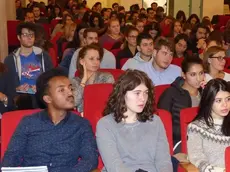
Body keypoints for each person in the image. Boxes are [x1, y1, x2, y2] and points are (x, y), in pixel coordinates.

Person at [2, 68, 98, 172]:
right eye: (62, 90)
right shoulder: (28, 123)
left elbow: (90, 159)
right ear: (48, 99)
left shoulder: (81, 124)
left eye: (71, 89)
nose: (70, 93)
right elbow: (11, 157)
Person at [96, 69, 173, 172]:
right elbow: (114, 166)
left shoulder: (155, 121)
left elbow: (163, 162)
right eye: (137, 93)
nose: (143, 98)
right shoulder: (105, 124)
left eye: (146, 93)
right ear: (123, 94)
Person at [158, 57, 205, 152]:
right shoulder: (171, 93)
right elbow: (161, 125)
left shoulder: (205, 93)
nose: (199, 78)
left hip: (204, 139)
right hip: (179, 141)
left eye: (201, 73)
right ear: (183, 75)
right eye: (193, 74)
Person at [4, 22, 53, 109]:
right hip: (21, 98)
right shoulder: (10, 60)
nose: (29, 38)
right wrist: (17, 88)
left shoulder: (44, 56)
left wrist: (40, 87)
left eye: (31, 35)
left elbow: (51, 78)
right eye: (25, 35)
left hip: (40, 95)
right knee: (24, 100)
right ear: (19, 37)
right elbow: (8, 84)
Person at [187, 78, 230, 172]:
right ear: (209, 102)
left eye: (228, 99)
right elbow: (197, 158)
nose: (225, 105)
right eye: (218, 101)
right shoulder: (196, 128)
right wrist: (221, 171)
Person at [71, 44, 115, 113]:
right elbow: (73, 103)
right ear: (82, 61)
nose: (96, 62)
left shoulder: (106, 78)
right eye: (91, 59)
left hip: (103, 117)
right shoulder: (75, 81)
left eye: (98, 59)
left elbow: (110, 103)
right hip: (83, 120)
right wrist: (84, 81)